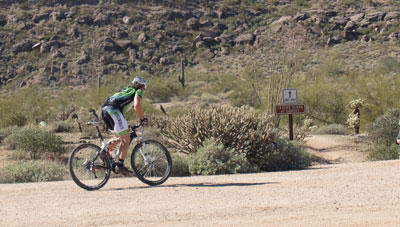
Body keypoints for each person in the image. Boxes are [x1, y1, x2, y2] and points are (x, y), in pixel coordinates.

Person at [101, 76, 148, 175]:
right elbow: (137, 106)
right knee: (126, 138)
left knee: (121, 135)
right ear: (141, 86)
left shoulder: (126, 90)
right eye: (144, 87)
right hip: (113, 111)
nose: (144, 89)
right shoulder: (137, 91)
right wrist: (142, 119)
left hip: (105, 110)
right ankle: (120, 165)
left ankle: (105, 150)